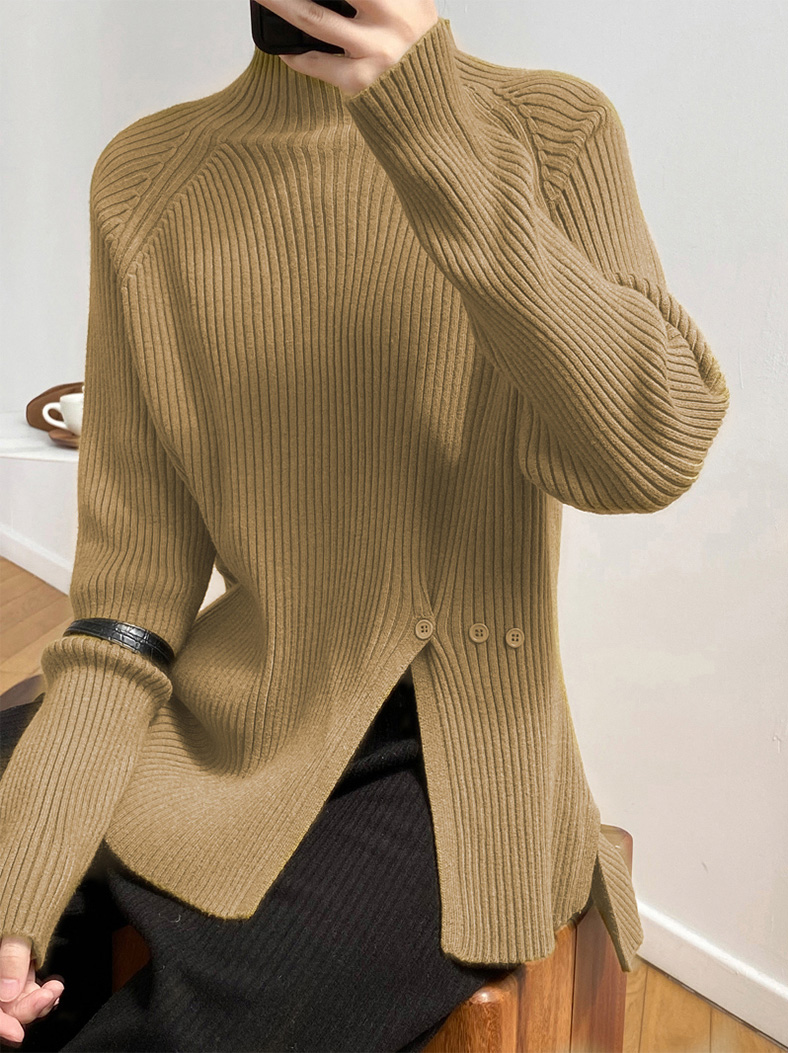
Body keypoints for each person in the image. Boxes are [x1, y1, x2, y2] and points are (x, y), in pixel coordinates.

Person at [0, 0, 730, 1049]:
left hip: (448, 752)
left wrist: (431, 127)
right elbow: (131, 599)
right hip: (224, 713)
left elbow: (647, 452)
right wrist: (26, 868)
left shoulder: (550, 130)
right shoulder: (147, 176)